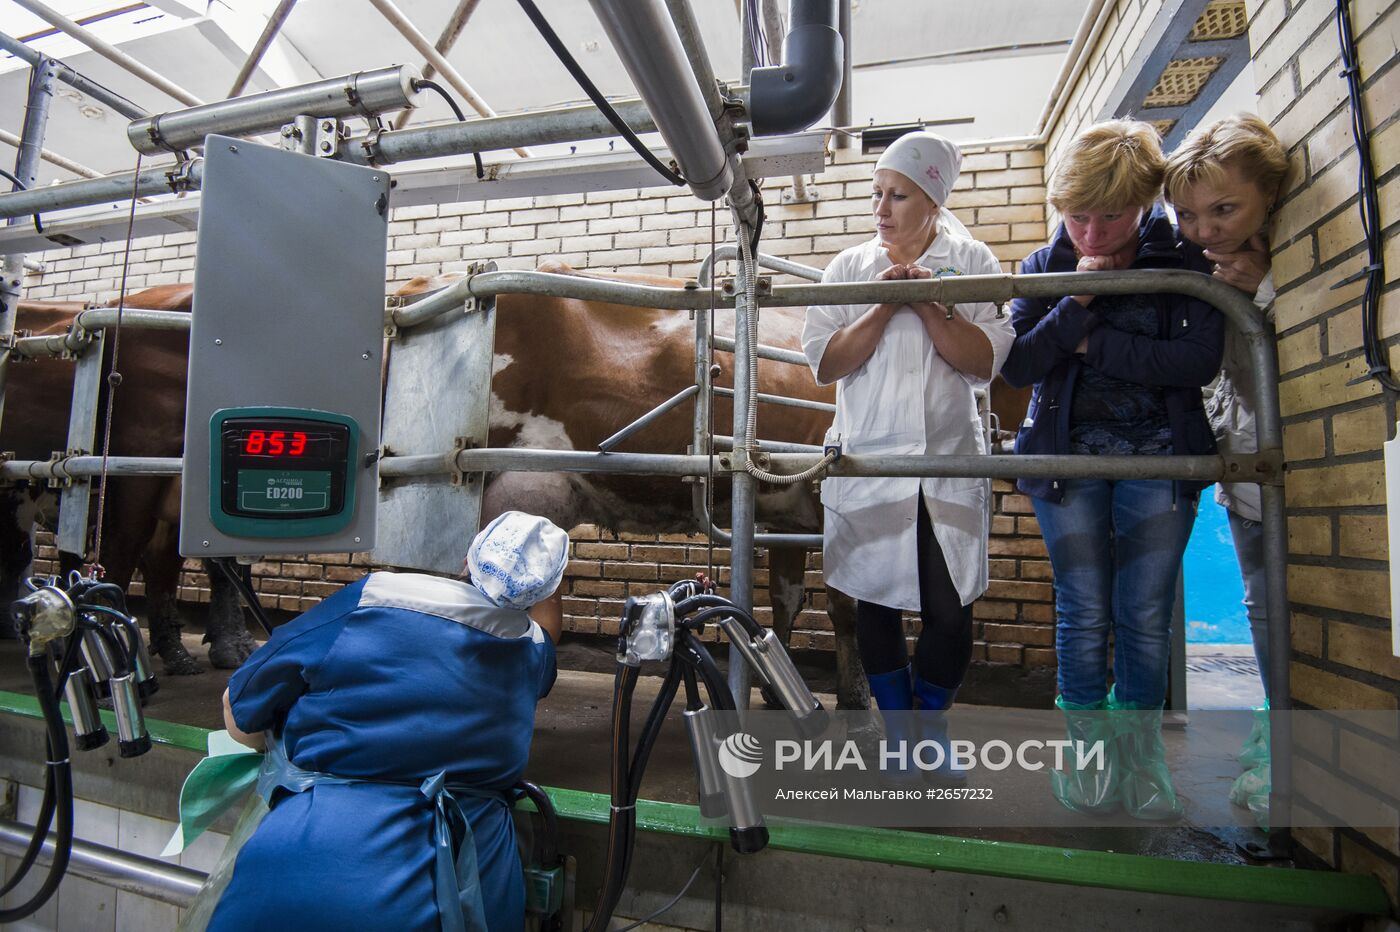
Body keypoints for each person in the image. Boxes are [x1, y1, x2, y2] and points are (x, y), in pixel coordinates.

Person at [1000, 120, 1224, 819]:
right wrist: (1079, 303)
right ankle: (1087, 755)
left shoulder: (1183, 261)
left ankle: (1140, 756)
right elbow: (1019, 363)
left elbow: (1194, 363)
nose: (1090, 236)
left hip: (1161, 457)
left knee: (1145, 610)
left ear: (1147, 202)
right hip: (1067, 463)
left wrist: (1090, 342)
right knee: (1083, 606)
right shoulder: (1046, 265)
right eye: (1077, 217)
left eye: (1111, 217)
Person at [209, 511, 568, 932]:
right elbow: (544, 628)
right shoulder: (533, 650)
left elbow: (240, 708)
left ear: (469, 558)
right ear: (547, 590)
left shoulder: (374, 598)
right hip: (467, 889)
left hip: (308, 868)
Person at [801, 131, 1015, 776]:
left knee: (950, 611)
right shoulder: (848, 268)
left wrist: (925, 305)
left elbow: (982, 364)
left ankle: (929, 727)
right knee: (875, 599)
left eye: (897, 195)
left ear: (932, 200)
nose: (882, 209)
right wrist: (881, 304)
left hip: (948, 458)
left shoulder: (973, 260)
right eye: (877, 194)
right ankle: (902, 737)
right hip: (871, 457)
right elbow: (824, 362)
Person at [1164, 112, 1289, 821]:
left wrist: (1266, 288)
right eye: (1188, 215)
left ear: (1268, 196)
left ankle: (1288, 750)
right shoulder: (1204, 268)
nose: (1206, 228)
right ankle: (1277, 731)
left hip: (1294, 462)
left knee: (1276, 603)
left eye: (1224, 209)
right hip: (1245, 464)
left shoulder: (1288, 259)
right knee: (1259, 600)